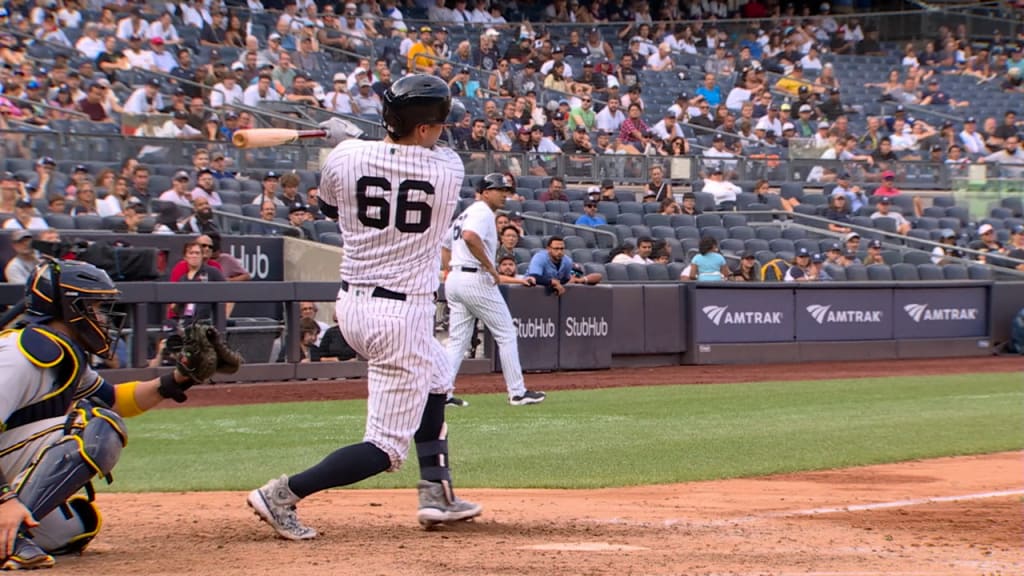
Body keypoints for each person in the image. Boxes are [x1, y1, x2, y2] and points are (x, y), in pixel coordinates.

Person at [248, 75, 482, 539]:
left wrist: (347, 144)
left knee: (437, 376)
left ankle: (436, 492)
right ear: (421, 129)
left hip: (352, 306)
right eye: (437, 124)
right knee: (384, 449)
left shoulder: (347, 157)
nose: (442, 131)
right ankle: (282, 494)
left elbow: (334, 209)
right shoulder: (447, 169)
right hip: (400, 316)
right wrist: (353, 142)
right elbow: (402, 161)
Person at [0, 258, 237, 569]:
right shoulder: (19, 353)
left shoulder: (64, 353)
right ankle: (10, 534)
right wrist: (6, 501)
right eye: (95, 307)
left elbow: (114, 400)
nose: (103, 317)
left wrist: (182, 377)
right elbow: (105, 417)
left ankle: (13, 533)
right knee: (95, 426)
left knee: (75, 527)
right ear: (71, 308)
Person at [444, 173, 545, 407]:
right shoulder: (481, 212)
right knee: (506, 333)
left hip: (457, 278)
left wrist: (450, 268)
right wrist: (490, 266)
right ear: (485, 192)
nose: (504, 195)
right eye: (499, 190)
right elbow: (470, 237)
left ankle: (442, 393)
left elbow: (445, 244)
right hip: (475, 278)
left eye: (506, 190)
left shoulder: (465, 213)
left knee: (458, 340)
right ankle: (517, 392)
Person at [527, 236, 597, 295]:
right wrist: (552, 282)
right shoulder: (540, 257)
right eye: (556, 249)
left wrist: (575, 280)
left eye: (562, 249)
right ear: (548, 249)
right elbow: (534, 277)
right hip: (531, 292)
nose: (559, 252)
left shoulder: (567, 261)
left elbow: (565, 279)